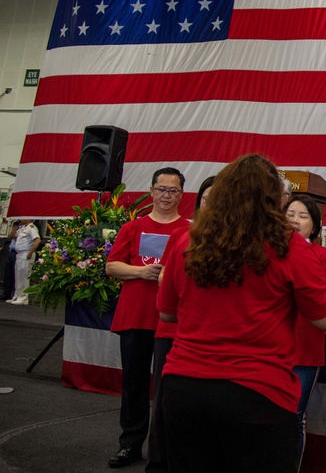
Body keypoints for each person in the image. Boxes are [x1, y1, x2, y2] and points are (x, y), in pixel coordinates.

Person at [157, 153, 326, 473]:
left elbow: (167, 312)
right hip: (257, 393)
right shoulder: (289, 246)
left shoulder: (187, 240)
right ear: (272, 198)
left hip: (185, 388)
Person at [106, 168, 190, 469]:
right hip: (136, 316)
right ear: (152, 191)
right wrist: (141, 272)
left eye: (173, 190)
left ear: (182, 194)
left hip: (171, 322)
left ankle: (164, 449)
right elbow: (112, 266)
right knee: (133, 384)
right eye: (162, 189)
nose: (167, 195)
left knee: (169, 389)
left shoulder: (188, 230)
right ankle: (130, 444)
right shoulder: (133, 227)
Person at [146, 175, 215, 473]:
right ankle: (157, 461)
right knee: (164, 401)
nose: (211, 203)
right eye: (207, 197)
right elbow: (165, 277)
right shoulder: (182, 234)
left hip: (206, 335)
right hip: (172, 329)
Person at [285, 194, 326, 471]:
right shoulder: (269, 250)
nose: (294, 220)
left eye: (303, 216)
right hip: (270, 348)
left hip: (304, 350)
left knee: (294, 416)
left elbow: (323, 305)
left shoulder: (322, 256)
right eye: (290, 213)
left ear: (315, 226)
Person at [8, 219, 41, 305]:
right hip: (19, 254)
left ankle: (23, 298)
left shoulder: (32, 228)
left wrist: (30, 252)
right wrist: (16, 225)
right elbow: (12, 236)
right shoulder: (22, 228)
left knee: (24, 276)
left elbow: (37, 240)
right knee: (18, 276)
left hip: (26, 254)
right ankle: (17, 296)